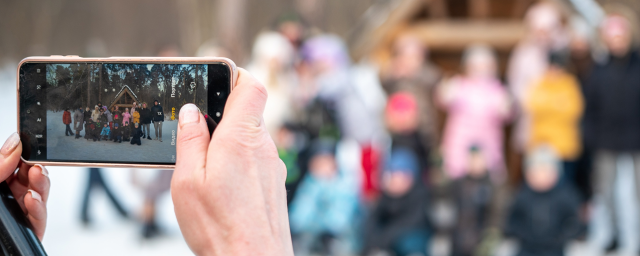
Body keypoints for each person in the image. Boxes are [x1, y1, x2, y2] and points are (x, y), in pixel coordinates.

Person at [0, 68, 295, 255]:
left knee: (135, 181)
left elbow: (138, 117)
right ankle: (139, 221)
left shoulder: (144, 109)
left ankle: (139, 219)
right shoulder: (112, 110)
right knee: (125, 183)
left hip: (152, 135)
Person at [584, 13, 640, 256]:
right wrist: (591, 136)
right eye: (613, 38)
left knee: (636, 193)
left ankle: (635, 238)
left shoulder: (638, 65)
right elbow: (591, 106)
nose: (618, 42)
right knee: (605, 192)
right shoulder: (599, 69)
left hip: (636, 139)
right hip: (606, 139)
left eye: (621, 37)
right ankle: (611, 235)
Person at [438, 44, 511, 180]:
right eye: (476, 66)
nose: (480, 70)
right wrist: (445, 90)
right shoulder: (459, 85)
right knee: (458, 176)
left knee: (488, 176)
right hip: (460, 142)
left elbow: (506, 113)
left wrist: (505, 108)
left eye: (485, 66)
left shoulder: (496, 90)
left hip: (488, 142)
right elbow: (444, 100)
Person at [288, 139, 360, 255]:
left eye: (326, 162)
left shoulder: (344, 186)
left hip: (339, 238)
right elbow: (298, 216)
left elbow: (340, 220)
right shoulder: (309, 185)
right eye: (317, 163)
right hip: (311, 237)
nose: (322, 167)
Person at [506, 146, 582, 256]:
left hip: (555, 250)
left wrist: (562, 236)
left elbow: (575, 220)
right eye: (536, 171)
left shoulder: (566, 195)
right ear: (528, 174)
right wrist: (522, 234)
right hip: (527, 248)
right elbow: (512, 220)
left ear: (556, 174)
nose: (541, 176)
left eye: (545, 171)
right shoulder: (521, 195)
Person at [524, 50, 584, 184]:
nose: (555, 70)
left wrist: (548, 105)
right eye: (552, 66)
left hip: (565, 145)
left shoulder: (569, 83)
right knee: (541, 182)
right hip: (542, 143)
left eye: (558, 67)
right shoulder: (539, 83)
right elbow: (532, 105)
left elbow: (574, 110)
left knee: (565, 181)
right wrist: (558, 105)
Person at [363, 148, 430, 256]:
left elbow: (412, 221)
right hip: (388, 241)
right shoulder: (385, 196)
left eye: (399, 176)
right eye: (392, 175)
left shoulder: (420, 195)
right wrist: (374, 240)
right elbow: (372, 220)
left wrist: (386, 237)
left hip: (409, 241)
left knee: (411, 244)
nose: (395, 180)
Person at [451, 146, 497, 256]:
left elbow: (495, 215)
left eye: (478, 159)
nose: (475, 163)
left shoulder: (492, 186)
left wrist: (490, 235)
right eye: (472, 159)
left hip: (481, 237)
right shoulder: (458, 184)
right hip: (458, 237)